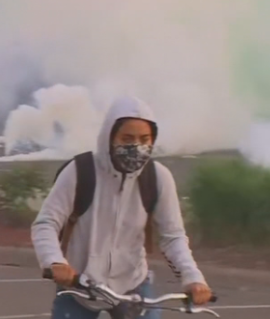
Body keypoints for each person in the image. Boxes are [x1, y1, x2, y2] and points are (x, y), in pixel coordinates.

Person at [31, 96, 212, 319]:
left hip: (133, 285)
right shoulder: (80, 171)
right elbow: (46, 223)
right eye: (127, 138)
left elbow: (172, 236)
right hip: (79, 284)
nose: (136, 146)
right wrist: (55, 262)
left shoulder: (158, 178)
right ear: (109, 137)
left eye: (144, 139)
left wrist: (193, 278)